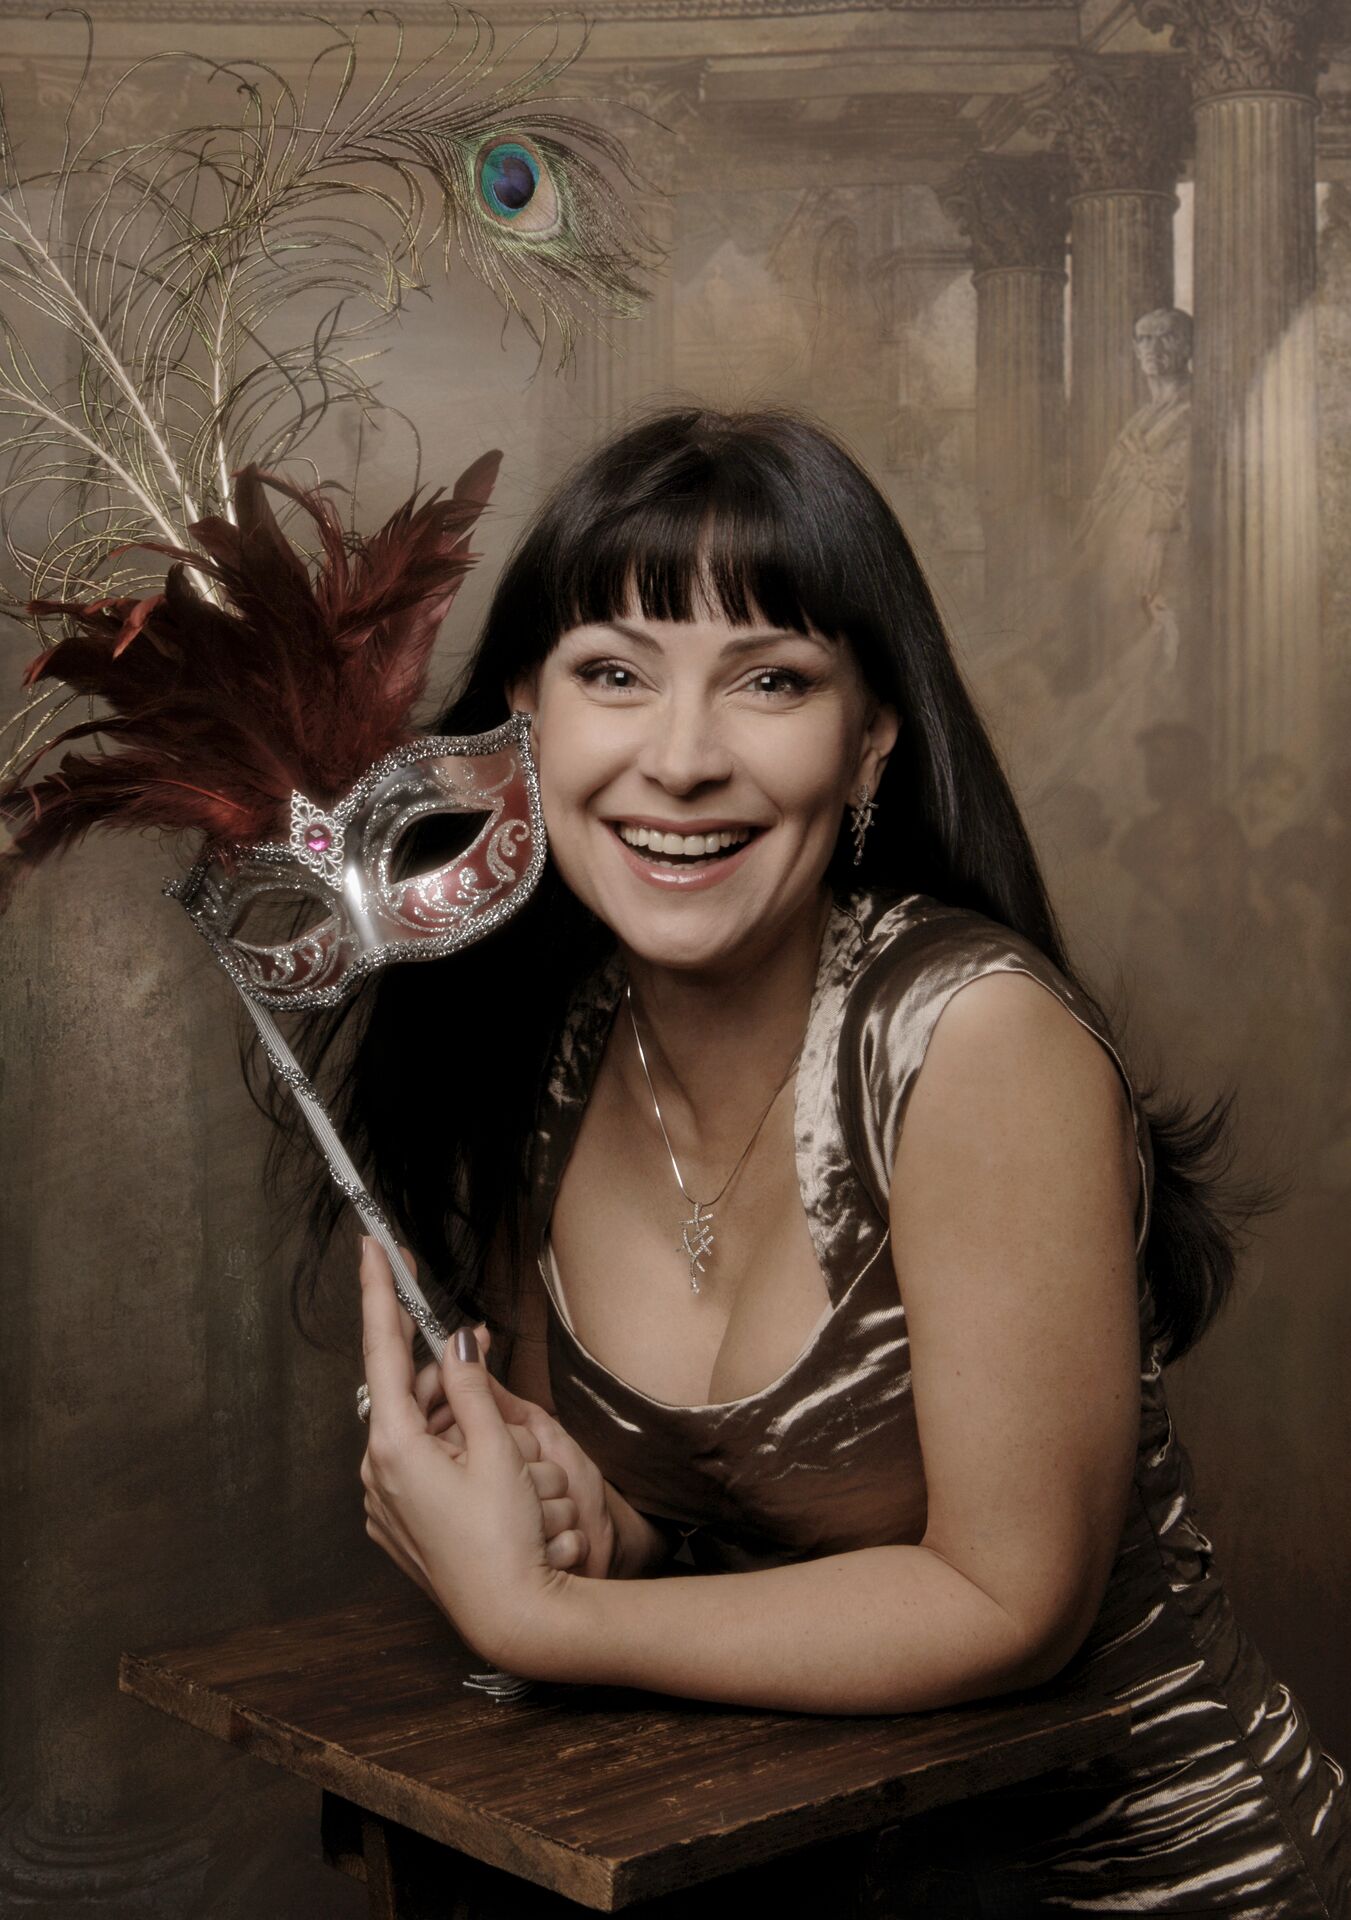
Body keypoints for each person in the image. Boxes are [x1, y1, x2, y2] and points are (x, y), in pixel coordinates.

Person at [331, 409, 1349, 1913]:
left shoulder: (973, 1041)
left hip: (1149, 1887)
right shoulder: (549, 1058)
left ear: (871, 736)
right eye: (614, 673)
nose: (683, 758)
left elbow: (1009, 1602)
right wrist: (578, 1518)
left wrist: (541, 1614)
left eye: (773, 681)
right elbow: (686, 1517)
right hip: (818, 1873)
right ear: (524, 726)